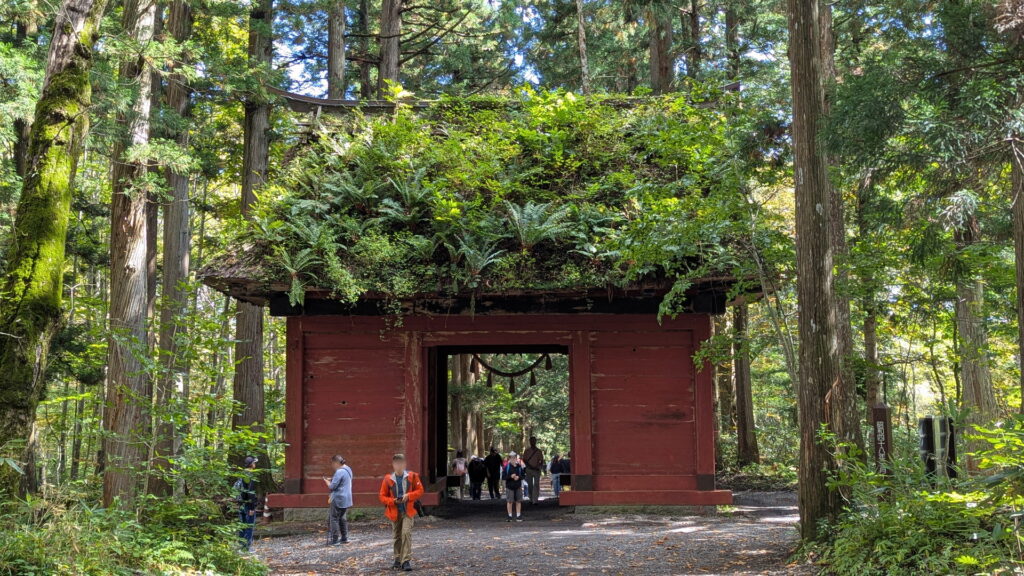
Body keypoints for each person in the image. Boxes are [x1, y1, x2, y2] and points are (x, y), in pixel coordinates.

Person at [379, 453, 424, 572]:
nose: (399, 466)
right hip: (394, 512)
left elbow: (420, 491)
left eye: (401, 463)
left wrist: (409, 496)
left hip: (408, 511)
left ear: (405, 464)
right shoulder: (388, 479)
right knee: (396, 536)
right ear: (393, 465)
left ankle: (406, 561)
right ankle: (397, 559)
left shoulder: (413, 476)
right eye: (396, 463)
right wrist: (393, 501)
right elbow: (382, 497)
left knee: (406, 534)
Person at [322, 454, 353, 545]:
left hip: (338, 498)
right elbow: (343, 479)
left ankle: (335, 540)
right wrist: (332, 478)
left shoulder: (339, 472)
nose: (332, 466)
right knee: (342, 518)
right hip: (346, 498)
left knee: (334, 518)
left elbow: (332, 487)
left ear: (336, 463)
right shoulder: (348, 469)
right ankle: (344, 537)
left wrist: (326, 481)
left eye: (332, 464)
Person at [234, 456, 259, 552]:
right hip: (248, 505)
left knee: (242, 526)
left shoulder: (242, 474)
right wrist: (252, 507)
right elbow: (250, 492)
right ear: (251, 464)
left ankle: (241, 547)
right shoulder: (250, 475)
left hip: (241, 504)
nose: (255, 464)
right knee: (249, 526)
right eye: (254, 463)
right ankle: (247, 548)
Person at [521, 436, 545, 504]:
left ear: (535, 441)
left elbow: (541, 460)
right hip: (529, 469)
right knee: (530, 484)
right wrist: (530, 466)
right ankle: (531, 498)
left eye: (534, 441)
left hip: (537, 470)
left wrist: (539, 466)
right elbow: (524, 460)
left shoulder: (539, 451)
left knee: (536, 484)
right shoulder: (527, 451)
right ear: (530, 442)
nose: (533, 442)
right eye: (531, 441)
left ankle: (535, 499)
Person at [503, 452, 525, 522]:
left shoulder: (519, 467)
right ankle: (509, 515)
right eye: (511, 458)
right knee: (510, 501)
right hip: (509, 487)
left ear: (516, 458)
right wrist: (510, 477)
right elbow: (503, 477)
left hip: (518, 486)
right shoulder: (507, 467)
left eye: (514, 458)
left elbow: (523, 476)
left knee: (518, 501)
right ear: (509, 459)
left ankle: (518, 515)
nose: (513, 459)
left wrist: (519, 477)